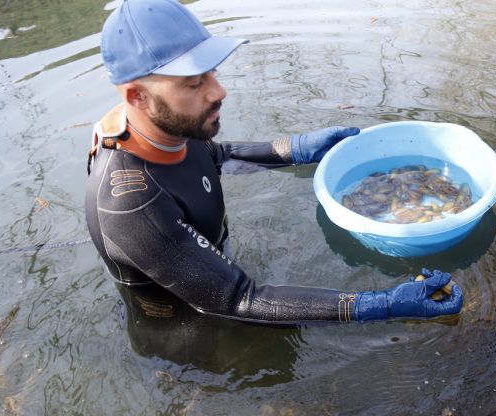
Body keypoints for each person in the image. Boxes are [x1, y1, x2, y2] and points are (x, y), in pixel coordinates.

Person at [85, 0, 463, 324]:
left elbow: (220, 155)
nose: (219, 91)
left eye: (212, 72)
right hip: (195, 327)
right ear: (137, 97)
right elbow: (238, 299)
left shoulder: (170, 127)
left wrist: (297, 149)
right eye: (194, 83)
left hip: (221, 277)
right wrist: (381, 305)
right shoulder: (132, 204)